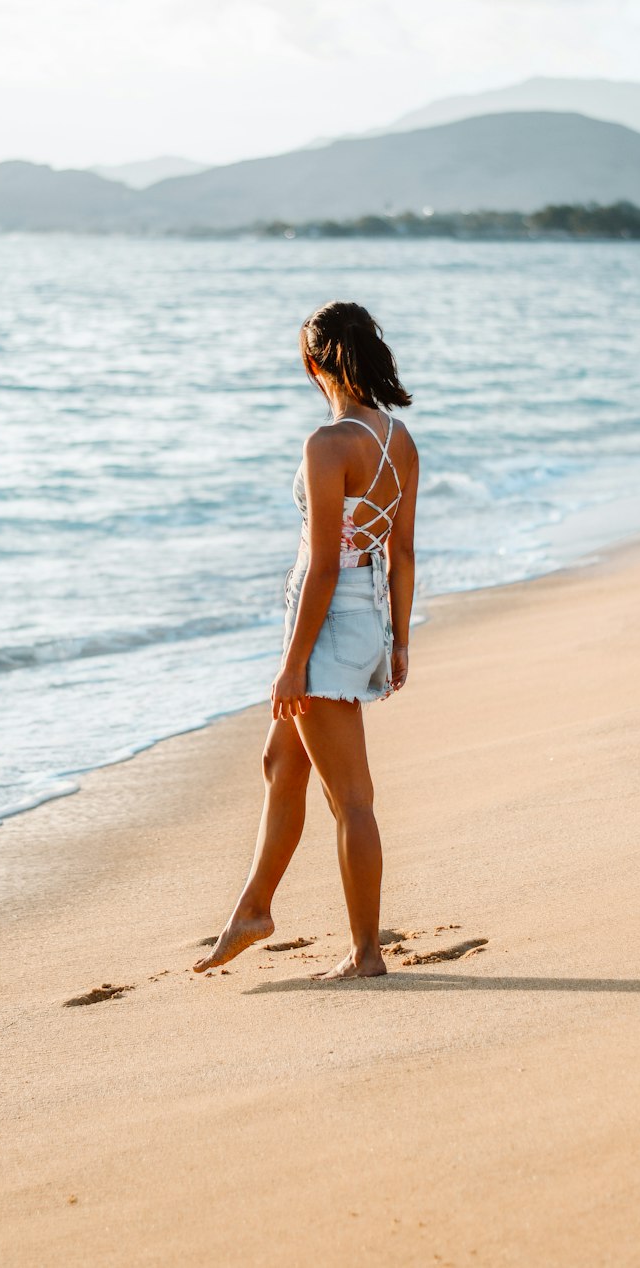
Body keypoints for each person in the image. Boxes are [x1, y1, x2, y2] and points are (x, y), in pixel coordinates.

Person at [194, 301, 419, 981]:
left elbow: (324, 564)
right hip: (366, 620)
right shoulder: (398, 439)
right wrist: (400, 642)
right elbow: (402, 553)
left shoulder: (328, 446)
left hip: (326, 627)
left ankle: (367, 955)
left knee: (352, 799)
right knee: (281, 764)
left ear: (313, 363)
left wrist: (292, 666)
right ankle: (253, 909)